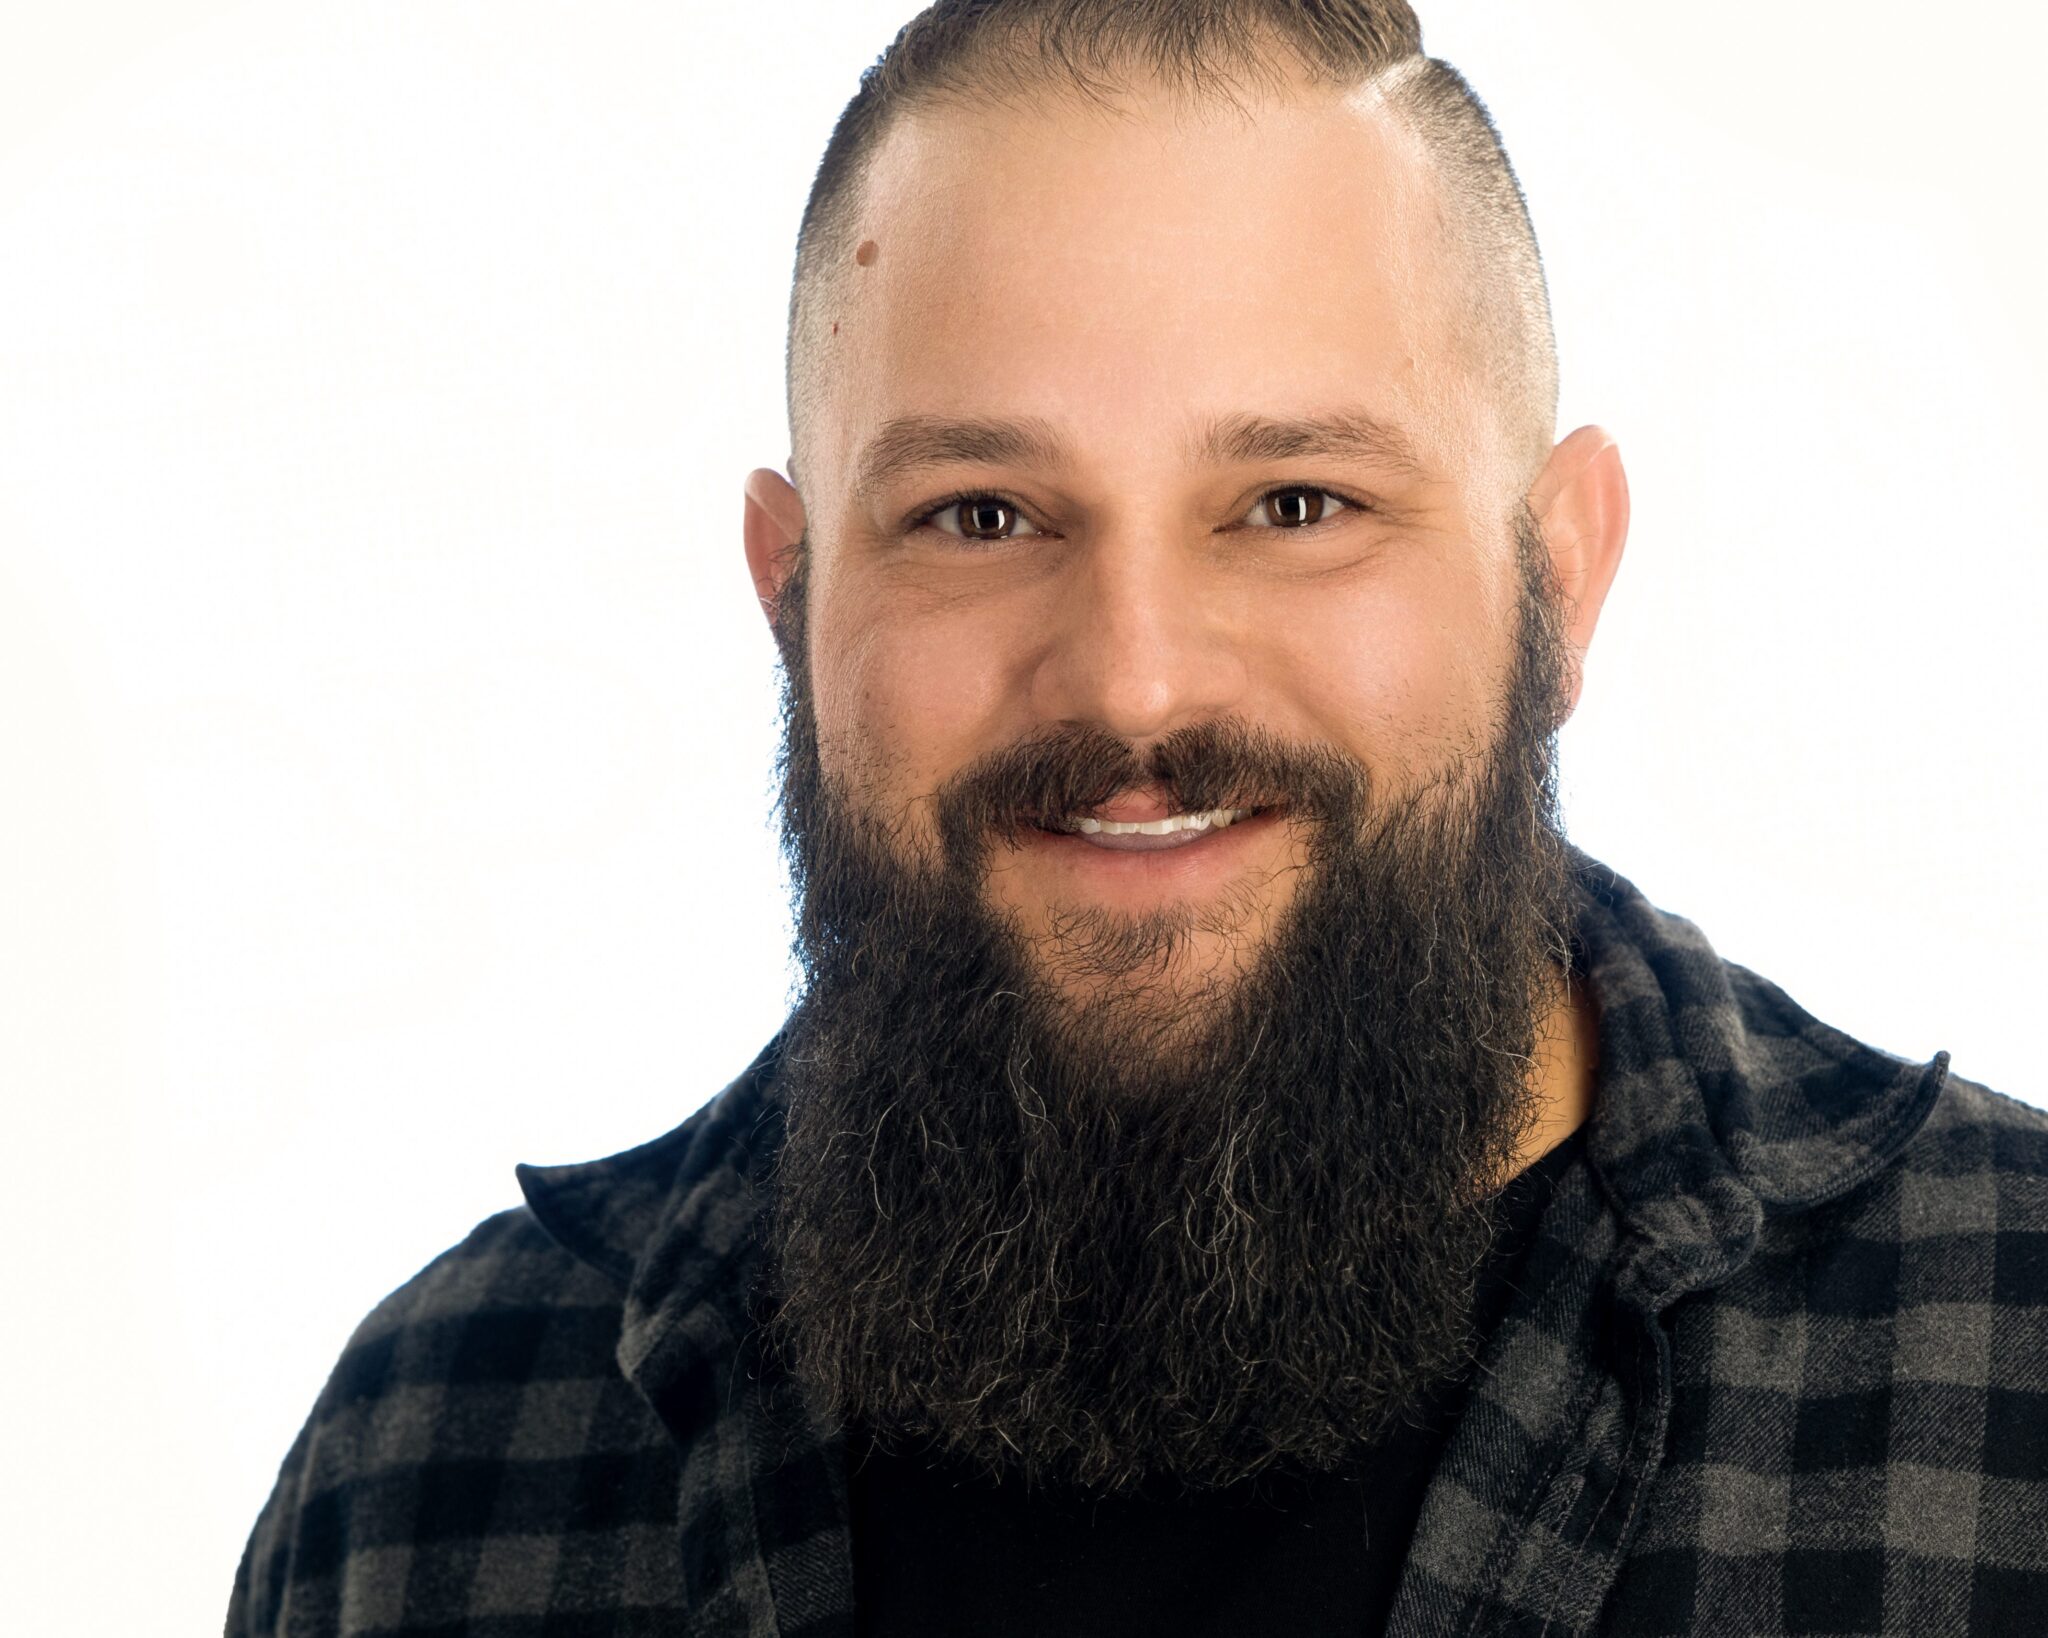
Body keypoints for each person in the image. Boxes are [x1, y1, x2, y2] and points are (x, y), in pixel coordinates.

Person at [227, 2, 2047, 1633]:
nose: (1134, 682)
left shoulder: (2012, 1362)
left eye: (1296, 502)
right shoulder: (428, 1466)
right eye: (980, 515)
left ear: (1557, 579)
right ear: (792, 595)